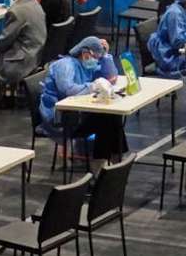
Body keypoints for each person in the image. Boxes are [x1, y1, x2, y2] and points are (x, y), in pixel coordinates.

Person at [38, 36, 125, 167]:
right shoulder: (65, 65)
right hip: (60, 118)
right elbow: (67, 89)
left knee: (113, 116)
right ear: (85, 54)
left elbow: (111, 77)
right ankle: (101, 162)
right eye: (96, 57)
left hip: (78, 112)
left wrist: (105, 56)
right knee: (105, 119)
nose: (96, 61)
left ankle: (116, 157)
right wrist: (92, 86)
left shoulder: (86, 66)